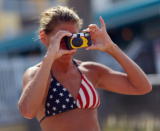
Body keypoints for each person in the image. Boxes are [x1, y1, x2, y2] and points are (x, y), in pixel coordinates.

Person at [18, 6, 152, 131]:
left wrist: (111, 48)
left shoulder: (90, 70)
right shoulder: (37, 74)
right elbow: (27, 111)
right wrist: (49, 57)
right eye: (63, 38)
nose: (69, 44)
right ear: (44, 37)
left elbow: (142, 87)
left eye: (73, 37)